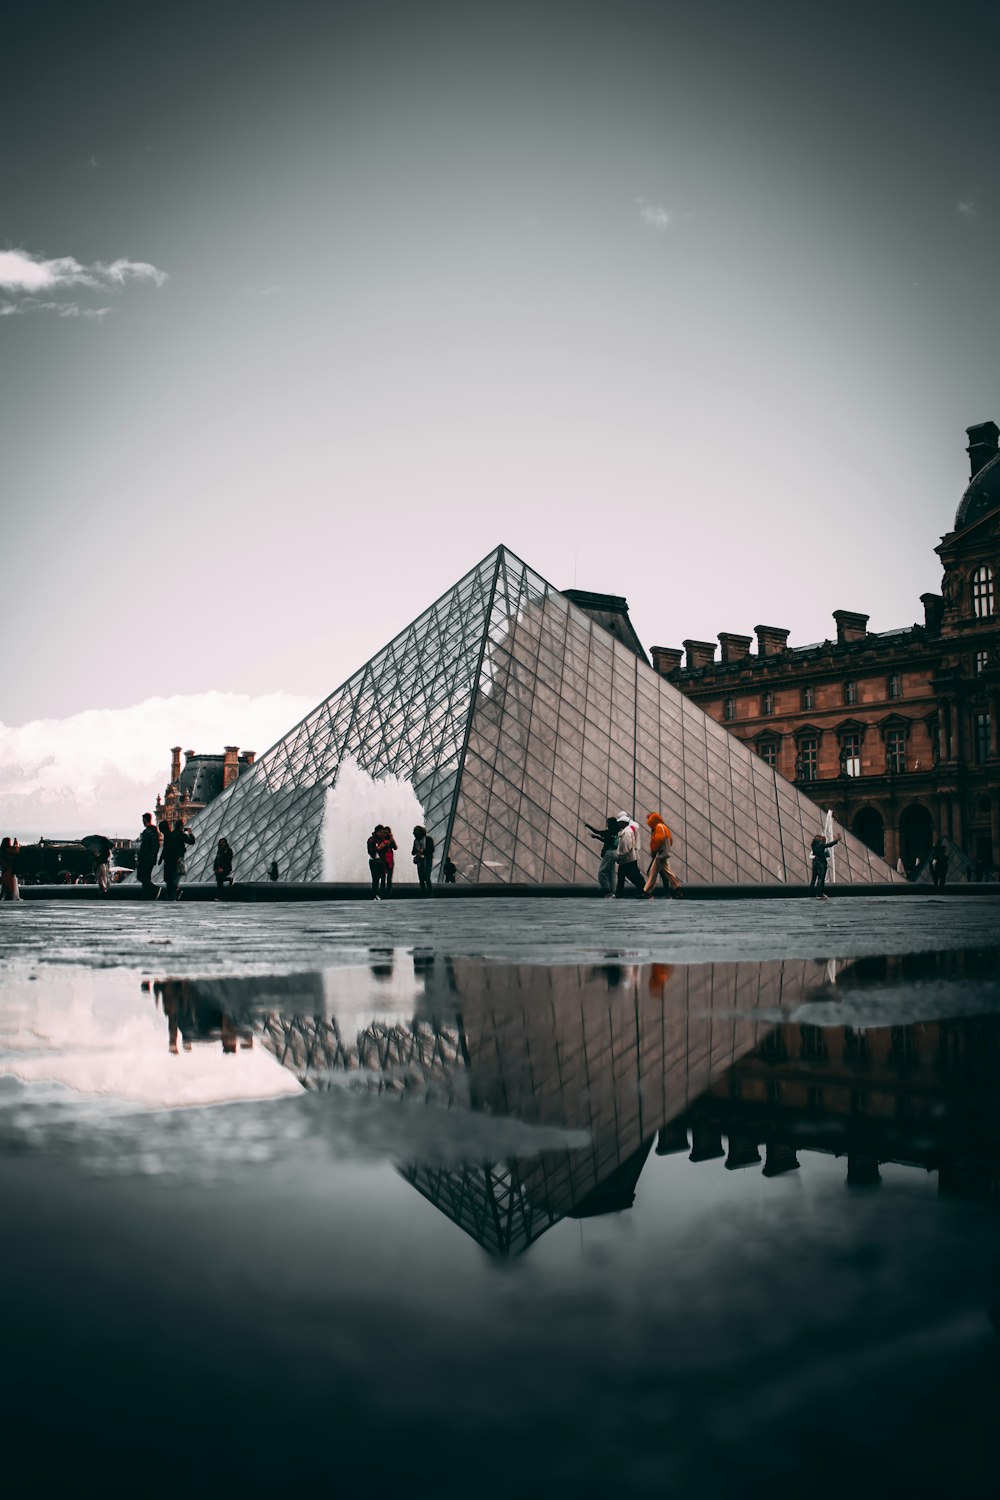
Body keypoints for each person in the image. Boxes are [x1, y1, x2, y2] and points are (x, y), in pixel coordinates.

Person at [643, 813, 683, 897]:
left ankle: (647, 891)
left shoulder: (658, 827)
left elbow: (658, 839)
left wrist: (654, 849)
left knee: (652, 872)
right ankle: (677, 888)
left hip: (660, 853)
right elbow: (670, 840)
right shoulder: (664, 827)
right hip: (664, 852)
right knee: (667, 872)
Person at [158, 819, 195, 900]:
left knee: (169, 878)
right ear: (181, 826)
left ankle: (171, 894)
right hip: (177, 858)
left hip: (170, 858)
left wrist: (161, 858)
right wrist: (190, 833)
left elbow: (167, 847)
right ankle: (174, 892)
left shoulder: (171, 834)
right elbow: (192, 841)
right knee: (174, 878)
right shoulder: (180, 834)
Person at [586, 815, 620, 897]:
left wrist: (588, 826)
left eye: (608, 823)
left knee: (602, 872)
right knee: (611, 873)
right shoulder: (615, 832)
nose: (607, 825)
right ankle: (613, 891)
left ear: (610, 824)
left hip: (609, 853)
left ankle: (606, 889)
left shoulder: (609, 832)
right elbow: (606, 840)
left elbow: (597, 831)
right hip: (615, 853)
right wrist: (596, 837)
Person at [615, 812, 646, 897]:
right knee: (625, 875)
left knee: (634, 876)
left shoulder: (627, 832)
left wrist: (618, 856)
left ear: (623, 822)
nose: (618, 824)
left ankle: (645, 891)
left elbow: (626, 848)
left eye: (619, 822)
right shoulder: (629, 830)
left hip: (627, 859)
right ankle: (619, 894)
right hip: (629, 857)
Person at [136, 812, 160, 898]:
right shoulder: (155, 831)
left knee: (140, 876)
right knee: (147, 877)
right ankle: (148, 894)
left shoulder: (147, 831)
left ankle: (154, 888)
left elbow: (144, 847)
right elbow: (157, 846)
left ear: (145, 820)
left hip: (145, 858)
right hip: (152, 858)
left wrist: (139, 859)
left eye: (143, 820)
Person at [809, 832, 840, 897]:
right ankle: (820, 893)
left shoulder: (813, 845)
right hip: (821, 863)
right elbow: (829, 845)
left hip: (815, 863)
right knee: (821, 878)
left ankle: (811, 893)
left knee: (813, 879)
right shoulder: (820, 845)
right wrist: (837, 840)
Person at [412, 825, 435, 895]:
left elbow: (432, 849)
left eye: (416, 831)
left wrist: (423, 852)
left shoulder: (428, 839)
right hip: (420, 861)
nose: (415, 833)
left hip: (427, 860)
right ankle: (424, 893)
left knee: (427, 877)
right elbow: (413, 852)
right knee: (421, 878)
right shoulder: (416, 841)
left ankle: (430, 893)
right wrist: (416, 851)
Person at [367, 825, 385, 899]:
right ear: (376, 832)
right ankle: (374, 895)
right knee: (375, 878)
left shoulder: (382, 840)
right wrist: (378, 848)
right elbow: (370, 851)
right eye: (381, 832)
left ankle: (381, 894)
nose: (382, 834)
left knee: (381, 877)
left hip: (381, 861)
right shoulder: (371, 840)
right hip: (374, 861)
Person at [0, 837, 21, 901]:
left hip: (4, 868)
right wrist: (16, 844)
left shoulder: (2, 850)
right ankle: (12, 896)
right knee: (11, 883)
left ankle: (3, 896)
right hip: (9, 868)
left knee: (5, 883)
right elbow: (16, 852)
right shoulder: (8, 850)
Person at [380, 826, 398, 896]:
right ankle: (382, 892)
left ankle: (389, 893)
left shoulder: (391, 840)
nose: (386, 834)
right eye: (384, 833)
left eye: (387, 833)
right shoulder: (381, 840)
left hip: (390, 861)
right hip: (383, 861)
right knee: (383, 877)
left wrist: (391, 839)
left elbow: (395, 847)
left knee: (389, 878)